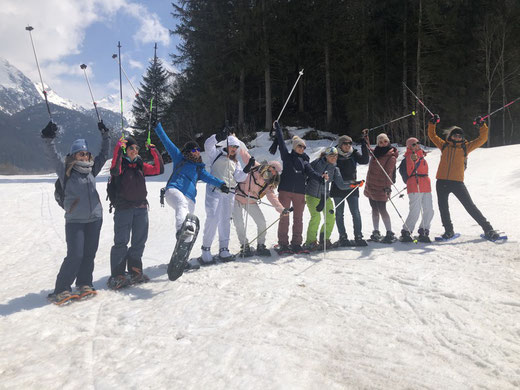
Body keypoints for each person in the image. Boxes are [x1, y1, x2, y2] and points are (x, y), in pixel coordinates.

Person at [41, 120, 110, 304]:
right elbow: (52, 155)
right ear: (74, 155)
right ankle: (61, 289)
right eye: (81, 153)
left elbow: (104, 153)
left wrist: (105, 135)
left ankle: (84, 283)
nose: (85, 156)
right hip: (75, 221)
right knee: (75, 255)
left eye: (87, 153)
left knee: (89, 254)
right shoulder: (66, 172)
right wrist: (48, 138)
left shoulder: (92, 170)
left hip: (95, 218)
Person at [427, 115, 499, 240]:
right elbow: (432, 136)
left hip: (457, 183)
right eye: (455, 135)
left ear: (462, 137)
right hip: (442, 181)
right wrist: (432, 124)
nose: (457, 137)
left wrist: (482, 125)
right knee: (443, 208)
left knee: (470, 206)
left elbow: (482, 138)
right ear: (450, 136)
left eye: (460, 135)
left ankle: (488, 229)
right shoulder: (444, 146)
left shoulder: (465, 148)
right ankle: (449, 231)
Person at [107, 135, 164, 289]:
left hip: (141, 208)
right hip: (124, 208)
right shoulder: (121, 164)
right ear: (126, 149)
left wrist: (154, 151)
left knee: (139, 241)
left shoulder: (139, 165)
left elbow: (158, 169)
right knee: (121, 242)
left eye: (137, 148)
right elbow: (114, 169)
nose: (135, 150)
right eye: (131, 148)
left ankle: (135, 271)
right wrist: (119, 147)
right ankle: (118, 274)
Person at [272, 120, 323, 254]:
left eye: (303, 147)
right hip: (285, 191)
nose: (302, 148)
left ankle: (296, 244)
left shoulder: (305, 161)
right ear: (294, 147)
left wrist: (321, 178)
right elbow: (282, 143)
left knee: (298, 219)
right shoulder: (287, 157)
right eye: (300, 146)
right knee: (284, 217)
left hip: (300, 193)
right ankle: (283, 243)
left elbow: (311, 173)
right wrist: (278, 128)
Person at [200, 128, 245, 264]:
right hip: (215, 191)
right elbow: (208, 145)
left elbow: (239, 177)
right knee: (213, 217)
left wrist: (247, 170)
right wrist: (218, 136)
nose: (234, 149)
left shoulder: (235, 162)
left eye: (236, 147)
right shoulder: (216, 154)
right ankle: (206, 249)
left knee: (225, 220)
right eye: (233, 146)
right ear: (227, 145)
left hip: (229, 193)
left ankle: (223, 248)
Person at [233, 158, 288, 257]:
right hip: (237, 198)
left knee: (261, 222)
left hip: (251, 201)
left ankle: (261, 245)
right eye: (272, 168)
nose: (273, 172)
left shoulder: (269, 183)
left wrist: (281, 209)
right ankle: (244, 246)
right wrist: (237, 145)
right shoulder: (255, 167)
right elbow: (244, 154)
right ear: (268, 166)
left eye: (276, 171)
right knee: (239, 223)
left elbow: (272, 197)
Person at [304, 146, 352, 250]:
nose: (334, 157)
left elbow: (341, 184)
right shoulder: (317, 163)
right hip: (312, 195)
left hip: (325, 196)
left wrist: (353, 184)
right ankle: (310, 242)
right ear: (326, 156)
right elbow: (306, 172)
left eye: (336, 155)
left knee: (331, 217)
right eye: (331, 155)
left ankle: (324, 239)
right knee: (316, 218)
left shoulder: (335, 168)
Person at [330, 133, 369, 246]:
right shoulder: (335, 154)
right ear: (340, 144)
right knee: (339, 214)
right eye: (345, 144)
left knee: (355, 212)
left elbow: (365, 160)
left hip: (352, 187)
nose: (348, 146)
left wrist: (363, 145)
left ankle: (358, 236)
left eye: (350, 143)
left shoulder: (353, 153)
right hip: (338, 188)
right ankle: (343, 237)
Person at [364, 132, 398, 243]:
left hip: (382, 186)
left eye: (385, 141)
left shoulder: (391, 156)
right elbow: (369, 149)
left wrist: (388, 187)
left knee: (382, 209)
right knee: (374, 209)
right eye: (380, 142)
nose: (383, 144)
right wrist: (366, 138)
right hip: (371, 185)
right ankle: (376, 231)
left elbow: (389, 172)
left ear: (388, 142)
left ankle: (389, 232)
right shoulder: (376, 153)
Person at [398, 137, 434, 243]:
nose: (416, 145)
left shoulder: (422, 156)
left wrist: (419, 156)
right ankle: (406, 231)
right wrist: (414, 158)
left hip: (426, 185)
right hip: (415, 185)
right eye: (413, 144)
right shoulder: (410, 157)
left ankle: (424, 230)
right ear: (409, 146)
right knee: (415, 210)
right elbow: (409, 169)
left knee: (429, 210)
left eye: (417, 143)